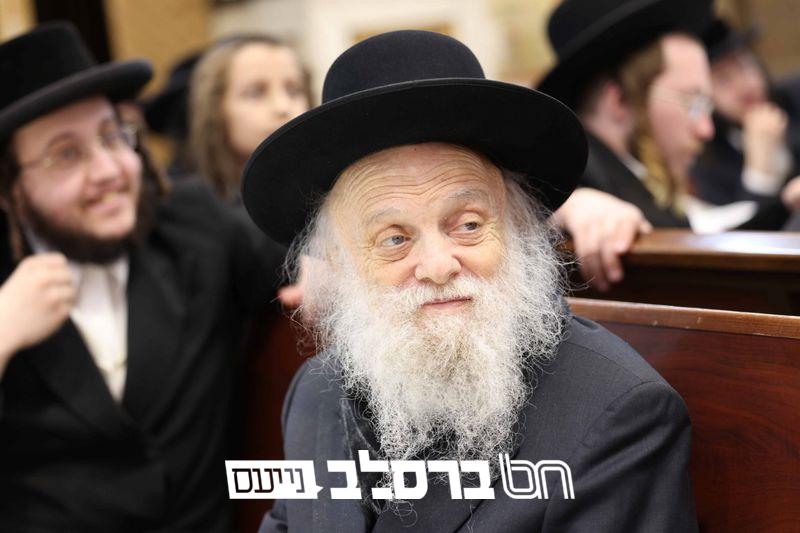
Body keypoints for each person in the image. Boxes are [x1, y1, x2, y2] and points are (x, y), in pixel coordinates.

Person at [244, 30, 696, 532]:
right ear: (341, 259)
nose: (439, 266)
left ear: (517, 226)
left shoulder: (616, 413)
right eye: (394, 239)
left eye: (468, 225)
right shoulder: (317, 391)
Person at [0, 22, 286, 531]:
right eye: (66, 153)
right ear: (9, 189)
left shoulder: (194, 227)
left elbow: (301, 264)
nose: (108, 170)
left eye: (112, 136)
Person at [538, 0, 800, 234]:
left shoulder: (634, 178)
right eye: (692, 102)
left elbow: (694, 245)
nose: (706, 130)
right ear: (619, 101)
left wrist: (786, 206)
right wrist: (567, 210)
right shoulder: (571, 193)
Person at [189, 34, 311, 203]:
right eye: (255, 93)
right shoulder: (182, 208)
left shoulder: (331, 203)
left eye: (293, 91)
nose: (282, 107)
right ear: (215, 108)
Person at [692, 17, 800, 207]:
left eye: (743, 66)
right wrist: (759, 167)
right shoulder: (707, 162)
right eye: (723, 80)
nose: (743, 87)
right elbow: (745, 221)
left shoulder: (796, 95)